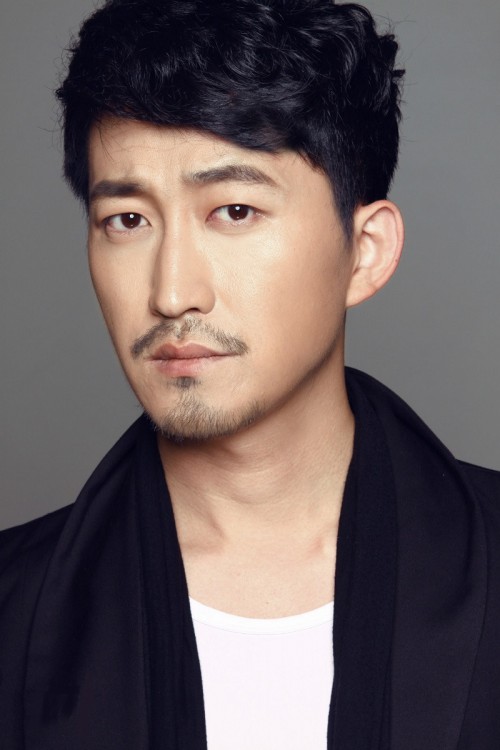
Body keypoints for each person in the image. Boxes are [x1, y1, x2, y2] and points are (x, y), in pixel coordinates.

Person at [0, 0, 499, 748]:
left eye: (234, 211)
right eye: (127, 221)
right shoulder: (15, 606)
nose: (172, 292)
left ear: (365, 252)